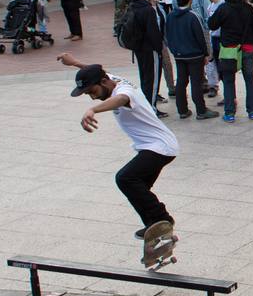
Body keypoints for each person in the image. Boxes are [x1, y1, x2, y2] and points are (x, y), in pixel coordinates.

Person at [58, 53, 181, 243]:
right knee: (139, 190)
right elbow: (97, 71)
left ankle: (162, 220)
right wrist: (75, 63)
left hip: (159, 147)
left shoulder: (123, 90)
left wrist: (94, 110)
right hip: (152, 146)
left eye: (93, 92)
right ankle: (155, 228)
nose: (92, 98)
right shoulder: (111, 79)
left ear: (104, 82)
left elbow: (121, 99)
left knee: (125, 178)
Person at [207, 0, 253, 123]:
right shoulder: (249, 8)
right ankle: (252, 111)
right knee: (250, 79)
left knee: (229, 80)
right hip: (248, 47)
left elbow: (211, 25)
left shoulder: (223, 8)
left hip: (229, 49)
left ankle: (230, 113)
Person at [164, 0, 215, 121]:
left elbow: (167, 35)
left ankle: (182, 110)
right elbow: (200, 36)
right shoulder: (193, 16)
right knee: (196, 82)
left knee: (181, 81)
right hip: (195, 54)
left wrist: (174, 50)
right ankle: (201, 110)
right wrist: (205, 53)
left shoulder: (170, 16)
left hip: (179, 54)